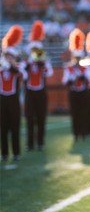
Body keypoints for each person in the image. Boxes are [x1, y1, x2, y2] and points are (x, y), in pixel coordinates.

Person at [23, 20, 53, 152]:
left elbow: (49, 72)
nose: (35, 52)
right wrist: (29, 63)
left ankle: (40, 142)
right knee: (29, 118)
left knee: (41, 117)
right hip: (29, 92)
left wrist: (43, 63)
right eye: (33, 50)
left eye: (37, 50)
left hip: (41, 92)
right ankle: (30, 143)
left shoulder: (44, 61)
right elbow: (22, 74)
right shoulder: (26, 62)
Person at [0, 25, 27, 161]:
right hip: (2, 101)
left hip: (14, 100)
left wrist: (11, 65)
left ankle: (16, 152)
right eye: (6, 56)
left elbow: (23, 75)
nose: (8, 58)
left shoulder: (18, 67)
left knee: (15, 126)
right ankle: (4, 154)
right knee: (3, 128)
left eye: (10, 56)